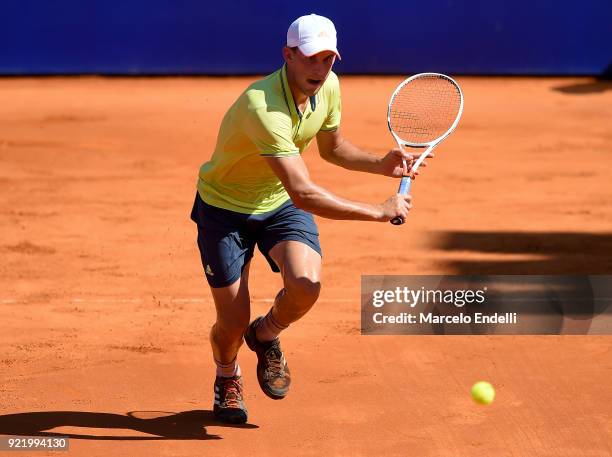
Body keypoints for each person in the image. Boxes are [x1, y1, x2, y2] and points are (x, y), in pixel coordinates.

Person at [190, 13, 429, 424]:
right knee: (230, 323)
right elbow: (305, 193)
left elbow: (332, 148)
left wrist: (380, 164)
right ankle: (227, 375)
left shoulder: (329, 86)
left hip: (277, 202)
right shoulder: (261, 106)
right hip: (225, 209)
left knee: (305, 284)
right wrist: (378, 210)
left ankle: (265, 335)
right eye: (311, 58)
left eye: (328, 59)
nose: (320, 69)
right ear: (288, 55)